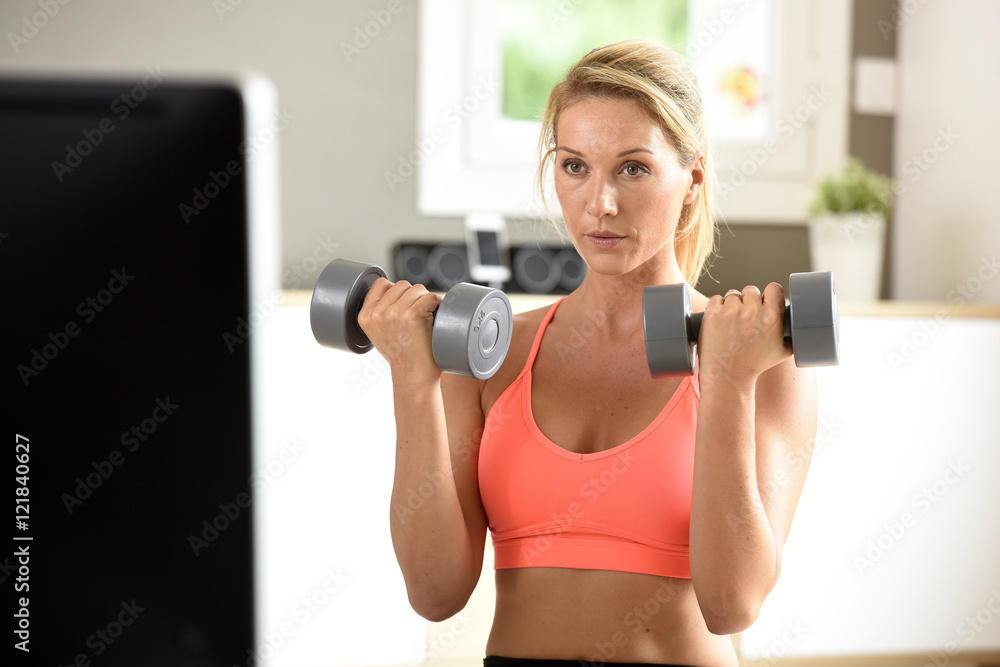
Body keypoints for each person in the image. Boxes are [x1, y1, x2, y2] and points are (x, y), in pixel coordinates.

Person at [358, 38, 818, 667]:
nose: (599, 203)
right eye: (575, 165)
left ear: (693, 178)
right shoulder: (493, 358)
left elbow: (731, 605)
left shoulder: (763, 361)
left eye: (633, 168)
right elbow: (435, 593)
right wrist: (413, 380)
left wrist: (728, 385)